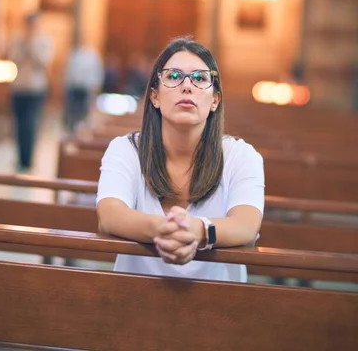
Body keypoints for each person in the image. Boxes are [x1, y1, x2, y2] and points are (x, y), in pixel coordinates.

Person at [97, 36, 264, 282]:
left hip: (221, 304)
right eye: (173, 76)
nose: (187, 86)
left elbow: (247, 225)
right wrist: (163, 229)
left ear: (215, 100)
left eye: (200, 78)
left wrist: (198, 230)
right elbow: (109, 215)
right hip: (134, 298)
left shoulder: (242, 156)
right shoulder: (125, 150)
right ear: (154, 96)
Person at [8, 12, 54, 171]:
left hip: (36, 88)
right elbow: (13, 58)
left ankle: (28, 159)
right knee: (19, 124)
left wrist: (32, 45)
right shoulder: (17, 39)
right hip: (19, 86)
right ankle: (20, 157)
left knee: (31, 124)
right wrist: (23, 45)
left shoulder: (44, 40)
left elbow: (44, 61)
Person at [63, 42, 104, 131]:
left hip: (86, 89)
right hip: (74, 88)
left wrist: (95, 88)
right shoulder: (74, 55)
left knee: (83, 114)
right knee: (72, 113)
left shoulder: (93, 56)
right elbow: (69, 72)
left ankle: (80, 130)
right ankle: (71, 129)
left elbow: (96, 74)